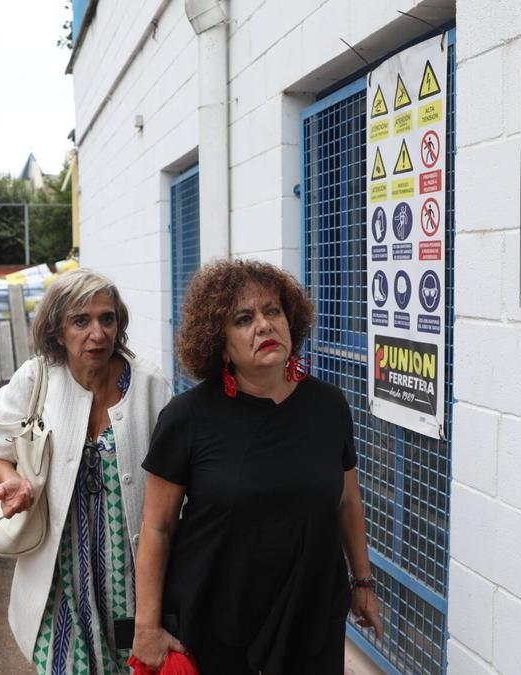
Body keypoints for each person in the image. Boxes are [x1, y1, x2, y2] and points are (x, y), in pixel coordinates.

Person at [132, 260, 383, 674]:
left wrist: (363, 582)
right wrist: (147, 626)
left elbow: (347, 500)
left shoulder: (328, 405)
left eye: (273, 311)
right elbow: (157, 527)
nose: (264, 326)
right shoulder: (188, 417)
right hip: (219, 620)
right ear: (219, 341)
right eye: (243, 319)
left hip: (311, 613)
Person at [0, 268, 172, 673]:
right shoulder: (36, 380)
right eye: (81, 321)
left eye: (107, 318)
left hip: (132, 581)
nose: (97, 333)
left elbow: (176, 478)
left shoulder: (149, 384)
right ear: (57, 330)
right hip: (59, 579)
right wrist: (13, 481)